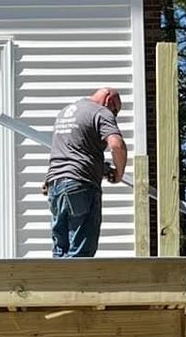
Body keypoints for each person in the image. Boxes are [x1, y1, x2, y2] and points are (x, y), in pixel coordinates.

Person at [45, 87, 128, 258]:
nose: (113, 116)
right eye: (115, 111)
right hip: (81, 186)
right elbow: (116, 145)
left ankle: (59, 285)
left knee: (61, 250)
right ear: (109, 100)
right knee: (81, 253)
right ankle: (77, 285)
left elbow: (70, 151)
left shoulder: (65, 112)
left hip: (56, 187)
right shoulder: (101, 112)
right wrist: (119, 173)